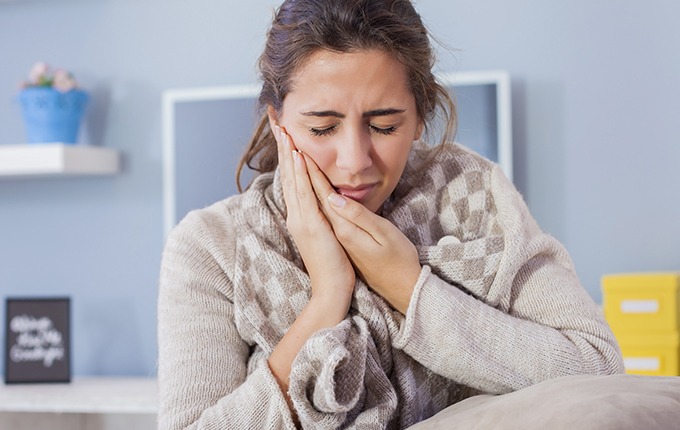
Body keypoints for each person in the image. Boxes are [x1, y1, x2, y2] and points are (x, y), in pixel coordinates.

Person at [157, 0, 624, 428]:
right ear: (277, 123)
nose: (355, 160)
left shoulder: (474, 199)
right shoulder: (211, 244)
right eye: (322, 128)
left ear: (420, 117)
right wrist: (328, 297)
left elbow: (597, 364)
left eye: (384, 125)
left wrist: (409, 287)